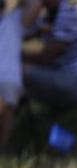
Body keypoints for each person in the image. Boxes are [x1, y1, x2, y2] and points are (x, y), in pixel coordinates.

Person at [21, 0, 77, 110]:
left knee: (19, 71)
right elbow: (22, 33)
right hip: (71, 77)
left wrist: (18, 57)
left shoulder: (68, 14)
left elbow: (46, 57)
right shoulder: (49, 16)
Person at [0, 0, 39, 149]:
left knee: (8, 96)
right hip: (10, 84)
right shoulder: (14, 21)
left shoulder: (13, 21)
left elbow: (34, 4)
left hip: (9, 82)